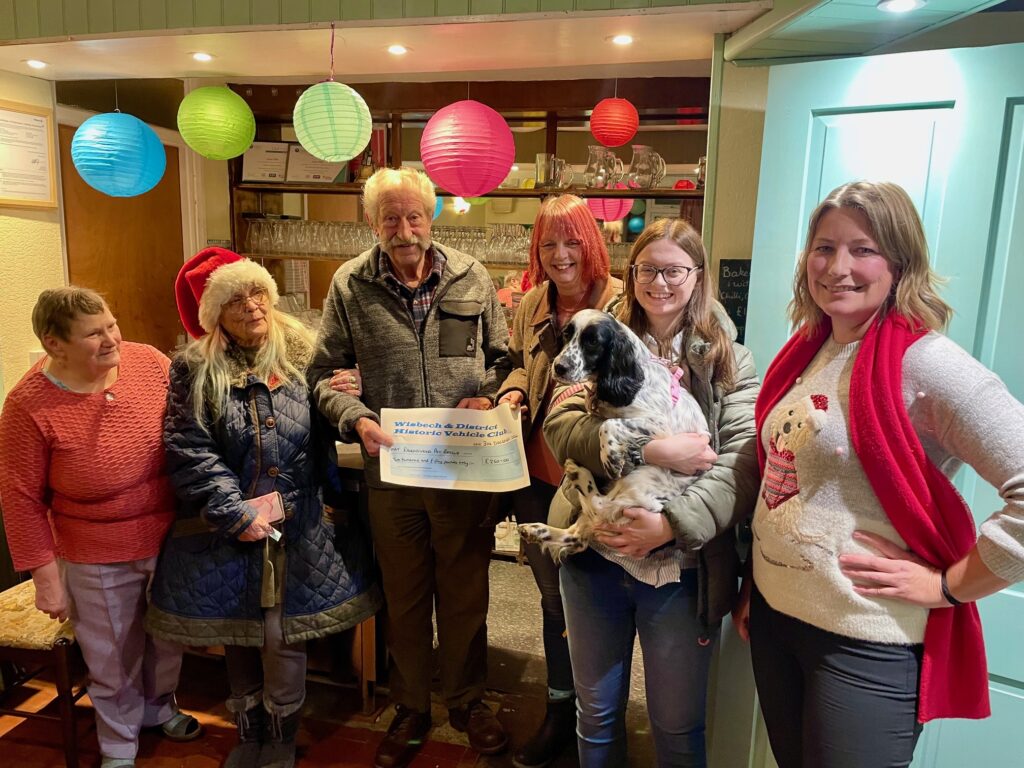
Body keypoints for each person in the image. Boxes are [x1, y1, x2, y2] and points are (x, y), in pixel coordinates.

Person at [731, 181, 1024, 767]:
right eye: (823, 247)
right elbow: (785, 485)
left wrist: (948, 587)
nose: (838, 267)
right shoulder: (811, 349)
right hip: (774, 618)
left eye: (863, 249)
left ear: (900, 262)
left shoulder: (927, 363)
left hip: (865, 639)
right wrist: (754, 586)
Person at [145, 248, 382, 768]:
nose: (251, 306)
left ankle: (281, 731)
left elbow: (331, 410)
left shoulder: (305, 353)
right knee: (237, 628)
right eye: (234, 300)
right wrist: (234, 511)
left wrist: (351, 395)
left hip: (298, 524)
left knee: (281, 633)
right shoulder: (193, 367)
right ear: (214, 316)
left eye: (258, 293)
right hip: (228, 523)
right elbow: (189, 445)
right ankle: (247, 730)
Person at [308, 167, 512, 768]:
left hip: (461, 470)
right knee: (403, 595)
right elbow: (323, 375)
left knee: (466, 592)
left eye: (413, 216)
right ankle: (412, 706)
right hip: (391, 472)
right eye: (390, 218)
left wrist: (494, 396)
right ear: (372, 223)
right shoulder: (349, 285)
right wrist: (355, 417)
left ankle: (469, 701)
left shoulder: (473, 277)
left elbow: (505, 360)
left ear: (432, 217)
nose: (404, 230)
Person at [543, 218, 761, 767]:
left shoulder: (733, 359)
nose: (659, 283)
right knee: (594, 714)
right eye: (646, 269)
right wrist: (651, 451)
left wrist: (671, 523)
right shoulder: (595, 337)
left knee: (676, 723)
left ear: (698, 276)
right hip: (594, 551)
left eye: (674, 270)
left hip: (683, 566)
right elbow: (560, 427)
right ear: (630, 273)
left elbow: (743, 462)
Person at [0, 287, 202, 768]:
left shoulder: (148, 362)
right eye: (94, 333)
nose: (112, 338)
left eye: (111, 324)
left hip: (169, 536)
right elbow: (20, 498)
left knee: (169, 636)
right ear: (55, 344)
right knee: (111, 654)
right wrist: (45, 580)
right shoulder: (28, 405)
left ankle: (159, 707)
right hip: (92, 546)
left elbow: (199, 409)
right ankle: (118, 743)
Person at [492, 194, 621, 768]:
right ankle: (559, 712)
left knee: (601, 601)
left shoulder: (622, 301)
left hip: (597, 481)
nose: (561, 256)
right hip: (536, 477)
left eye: (572, 242)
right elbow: (520, 360)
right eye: (549, 244)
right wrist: (512, 390)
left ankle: (601, 721)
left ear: (592, 244)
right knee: (552, 603)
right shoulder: (532, 303)